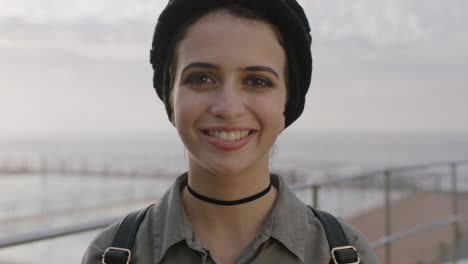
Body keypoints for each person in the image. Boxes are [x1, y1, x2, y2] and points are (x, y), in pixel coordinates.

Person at [82, 0, 378, 263]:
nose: (228, 107)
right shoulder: (111, 254)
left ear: (287, 102)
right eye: (201, 78)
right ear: (170, 98)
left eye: (258, 81)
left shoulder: (343, 254)